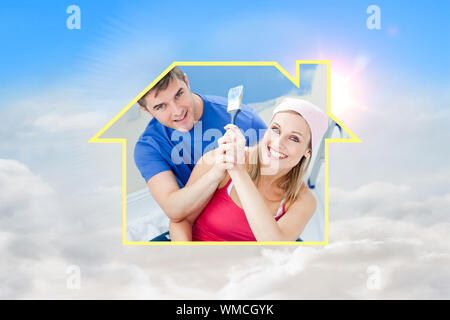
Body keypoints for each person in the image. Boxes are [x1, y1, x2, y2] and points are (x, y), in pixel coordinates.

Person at [133, 67, 267, 240]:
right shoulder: (149, 147)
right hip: (194, 222)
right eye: (161, 106)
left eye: (179, 94)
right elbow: (175, 211)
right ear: (146, 110)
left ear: (187, 82)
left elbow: (279, 184)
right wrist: (216, 173)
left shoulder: (246, 121)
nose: (177, 111)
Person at [170, 98, 328, 241]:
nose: (278, 142)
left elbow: (275, 245)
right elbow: (181, 219)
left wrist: (238, 171)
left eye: (294, 138)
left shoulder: (304, 201)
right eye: (275, 129)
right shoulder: (219, 160)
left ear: (308, 151)